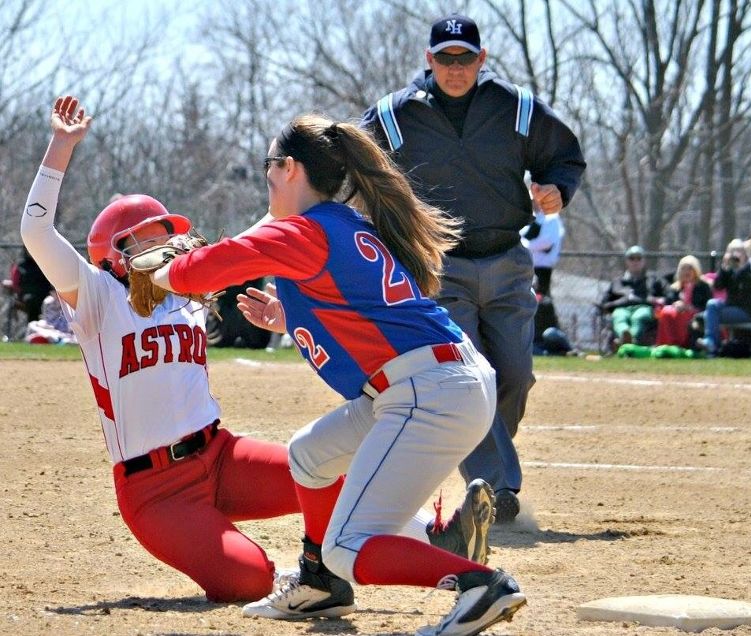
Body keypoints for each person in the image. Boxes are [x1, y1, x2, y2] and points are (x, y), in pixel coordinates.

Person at [19, 96, 488, 607]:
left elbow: (312, 281)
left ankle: (432, 537)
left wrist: (291, 317)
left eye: (169, 239)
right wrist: (61, 146)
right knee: (249, 580)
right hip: (157, 489)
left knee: (323, 467)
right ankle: (305, 566)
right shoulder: (95, 297)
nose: (167, 251)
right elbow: (35, 232)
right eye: (144, 244)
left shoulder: (185, 291)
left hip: (220, 455)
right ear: (110, 255)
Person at [145, 114, 527, 634]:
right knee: (310, 455)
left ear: (290, 169)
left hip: (428, 391)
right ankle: (321, 585)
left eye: (269, 166)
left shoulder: (307, 230)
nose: (266, 178)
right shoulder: (338, 224)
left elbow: (208, 268)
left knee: (351, 545)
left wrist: (162, 273)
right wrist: (290, 317)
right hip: (432, 381)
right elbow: (360, 312)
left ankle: (480, 584)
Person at [360, 13, 586, 523]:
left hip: (509, 261)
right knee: (471, 375)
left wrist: (557, 188)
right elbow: (350, 166)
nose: (455, 67)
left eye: (465, 58)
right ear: (429, 59)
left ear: (481, 60)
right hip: (438, 268)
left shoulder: (518, 109)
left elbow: (565, 156)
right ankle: (497, 487)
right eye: (445, 58)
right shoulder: (393, 117)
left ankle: (482, 463)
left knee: (515, 377)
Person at [696, 239, 751, 356]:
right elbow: (718, 286)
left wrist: (742, 267)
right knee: (712, 304)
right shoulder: (729, 270)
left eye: (739, 251)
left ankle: (712, 345)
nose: (736, 254)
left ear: (745, 253)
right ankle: (711, 343)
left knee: (708, 315)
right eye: (733, 251)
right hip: (731, 307)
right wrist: (724, 268)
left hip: (747, 311)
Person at [600, 245, 666, 347]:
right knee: (619, 317)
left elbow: (668, 293)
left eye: (639, 258)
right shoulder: (618, 282)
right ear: (627, 261)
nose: (635, 261)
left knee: (638, 317)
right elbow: (605, 300)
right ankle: (625, 336)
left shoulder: (653, 279)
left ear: (644, 261)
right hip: (622, 308)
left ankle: (627, 340)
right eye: (631, 258)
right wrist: (608, 306)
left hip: (644, 308)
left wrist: (660, 300)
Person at [654, 255, 712, 349]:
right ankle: (666, 344)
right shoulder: (674, 288)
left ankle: (682, 344)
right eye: (683, 268)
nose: (686, 271)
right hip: (675, 314)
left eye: (690, 268)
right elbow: (668, 302)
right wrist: (676, 305)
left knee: (681, 315)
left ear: (696, 270)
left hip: (696, 317)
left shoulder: (703, 287)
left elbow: (707, 307)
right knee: (666, 312)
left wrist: (689, 308)